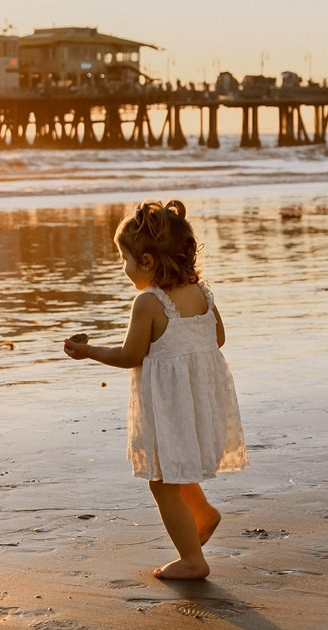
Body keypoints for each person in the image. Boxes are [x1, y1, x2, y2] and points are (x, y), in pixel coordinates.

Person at [64, 200, 248, 580]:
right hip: (199, 402)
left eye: (124, 259)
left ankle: (193, 560)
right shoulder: (203, 294)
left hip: (169, 405)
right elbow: (219, 337)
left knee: (162, 483)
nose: (123, 268)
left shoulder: (148, 303)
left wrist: (87, 352)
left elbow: (131, 354)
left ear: (147, 261)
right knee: (175, 466)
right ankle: (203, 513)